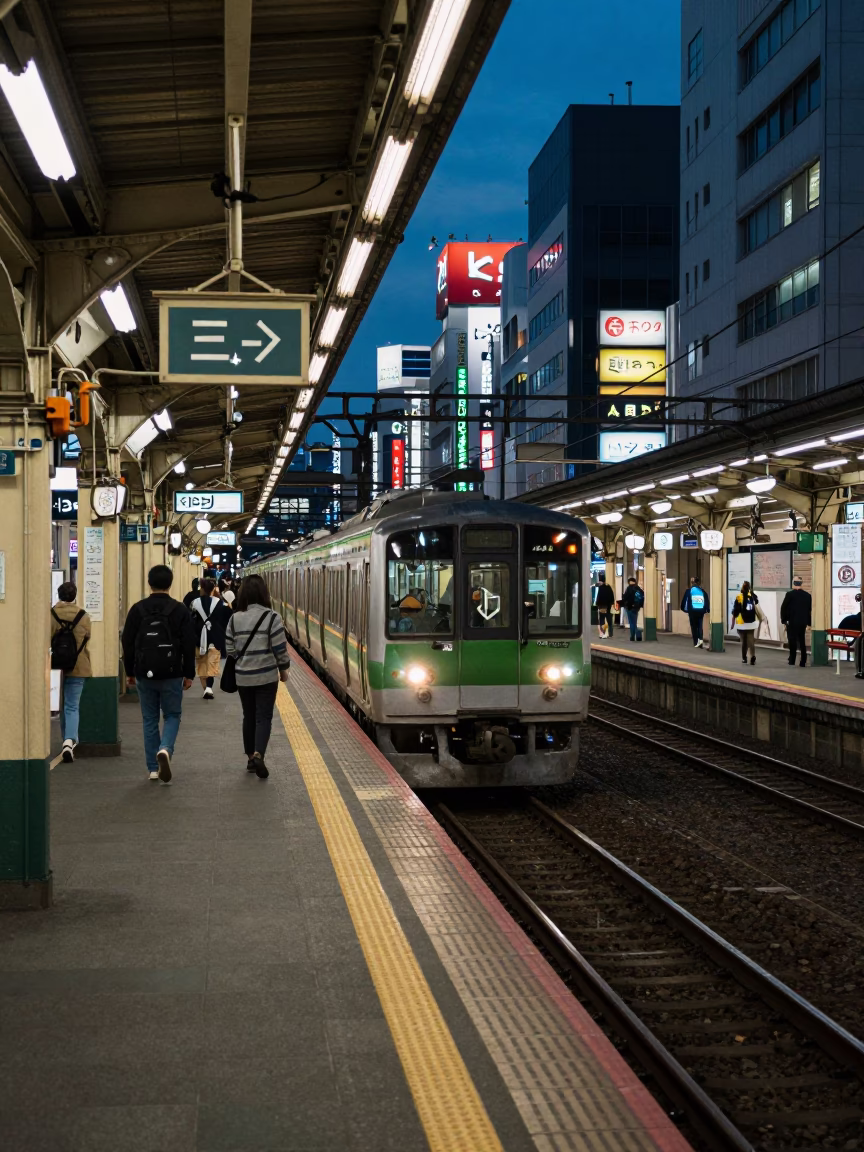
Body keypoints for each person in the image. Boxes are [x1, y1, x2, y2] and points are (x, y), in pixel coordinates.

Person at [122, 564, 197, 783]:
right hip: (173, 672)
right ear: (170, 583)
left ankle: (153, 768)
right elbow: (188, 643)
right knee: (172, 715)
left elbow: (127, 642)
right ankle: (165, 749)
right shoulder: (180, 610)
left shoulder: (137, 609)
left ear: (149, 583)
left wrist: (130, 671)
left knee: (149, 719)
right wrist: (189, 673)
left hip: (144, 672)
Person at [225, 574, 291, 779]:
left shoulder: (235, 618)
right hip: (266, 677)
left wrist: (242, 661)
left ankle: (249, 760)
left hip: (243, 677)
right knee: (264, 717)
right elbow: (280, 648)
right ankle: (259, 754)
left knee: (249, 715)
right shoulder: (272, 617)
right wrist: (284, 669)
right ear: (264, 593)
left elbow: (229, 647)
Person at [50, 581, 91, 763]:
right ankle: (69, 741)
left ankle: (65, 740)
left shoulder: (51, 615)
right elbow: (87, 638)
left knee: (61, 704)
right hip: (78, 665)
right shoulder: (83, 616)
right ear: (74, 596)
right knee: (72, 705)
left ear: (59, 595)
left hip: (55, 666)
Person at [189, 577, 232, 698]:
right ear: (213, 589)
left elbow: (190, 620)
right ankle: (209, 688)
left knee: (201, 665)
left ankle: (206, 689)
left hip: (198, 640)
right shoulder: (221, 603)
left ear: (202, 588)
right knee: (212, 664)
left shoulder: (194, 603)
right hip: (215, 638)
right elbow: (229, 618)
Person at [780, 576, 812, 668]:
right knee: (802, 642)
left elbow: (783, 608)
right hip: (802, 622)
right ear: (801, 583)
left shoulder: (789, 595)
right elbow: (809, 611)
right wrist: (809, 623)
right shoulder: (807, 596)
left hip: (791, 622)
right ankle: (803, 661)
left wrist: (784, 620)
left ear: (793, 583)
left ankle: (792, 660)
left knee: (792, 641)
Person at [731, 580, 759, 666]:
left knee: (744, 642)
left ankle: (744, 658)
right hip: (751, 622)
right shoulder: (753, 596)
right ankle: (753, 656)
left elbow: (736, 610)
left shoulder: (739, 597)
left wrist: (732, 622)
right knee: (751, 640)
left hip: (741, 622)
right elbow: (757, 604)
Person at [681, 576, 710, 648]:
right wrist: (707, 609)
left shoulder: (689, 591)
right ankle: (700, 641)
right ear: (698, 582)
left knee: (694, 627)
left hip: (692, 611)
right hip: (701, 611)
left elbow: (684, 601)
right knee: (700, 627)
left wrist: (684, 609)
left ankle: (695, 642)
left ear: (692, 583)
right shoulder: (702, 591)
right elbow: (706, 599)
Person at [620, 577, 644, 641]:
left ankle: (633, 636)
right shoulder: (638, 588)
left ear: (629, 582)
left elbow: (625, 598)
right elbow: (642, 597)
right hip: (636, 608)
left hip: (629, 608)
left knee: (632, 622)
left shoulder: (629, 588)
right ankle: (638, 635)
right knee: (634, 622)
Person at [595, 573, 615, 639]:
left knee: (602, 620)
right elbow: (612, 597)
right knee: (609, 620)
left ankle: (603, 633)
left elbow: (599, 597)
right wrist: (611, 603)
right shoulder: (608, 587)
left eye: (600, 581)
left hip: (602, 606)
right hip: (608, 606)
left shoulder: (601, 588)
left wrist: (597, 604)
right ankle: (610, 633)